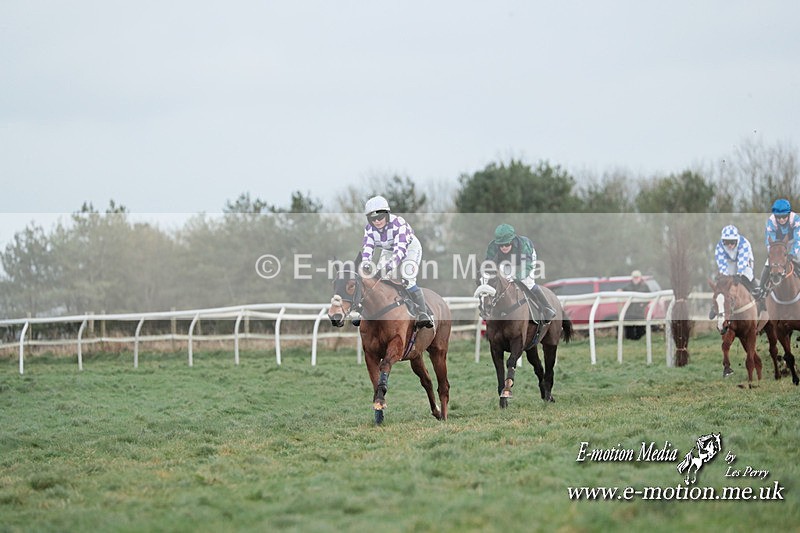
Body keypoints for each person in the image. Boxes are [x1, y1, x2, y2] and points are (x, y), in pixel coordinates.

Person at [360, 195, 433, 328]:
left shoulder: (399, 223)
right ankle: (367, 313)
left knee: (407, 277)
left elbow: (400, 250)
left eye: (380, 217)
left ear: (387, 214)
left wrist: (389, 267)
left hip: (409, 247)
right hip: (388, 250)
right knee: (377, 279)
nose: (377, 221)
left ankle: (423, 313)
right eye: (373, 219)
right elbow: (368, 247)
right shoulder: (369, 229)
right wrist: (366, 263)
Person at [484, 223, 556, 323]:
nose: (504, 247)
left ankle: (547, 308)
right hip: (507, 261)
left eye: (507, 244)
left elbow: (527, 266)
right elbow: (489, 265)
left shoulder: (524, 245)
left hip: (525, 260)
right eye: (501, 245)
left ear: (512, 241)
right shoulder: (492, 247)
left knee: (527, 283)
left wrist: (517, 277)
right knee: (500, 282)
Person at [757, 198, 800, 297]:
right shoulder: (771, 221)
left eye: (784, 216)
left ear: (788, 214)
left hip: (795, 243)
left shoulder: (796, 220)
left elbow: (798, 240)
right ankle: (761, 290)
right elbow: (770, 243)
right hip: (779, 245)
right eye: (778, 217)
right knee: (769, 263)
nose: (781, 219)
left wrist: (792, 254)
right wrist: (774, 255)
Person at [620, 270, 650, 340]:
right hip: (629, 312)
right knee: (629, 329)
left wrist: (643, 304)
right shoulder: (628, 286)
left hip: (639, 312)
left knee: (641, 329)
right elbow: (621, 291)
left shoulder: (645, 287)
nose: (636, 279)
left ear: (640, 278)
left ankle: (638, 340)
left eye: (637, 277)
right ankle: (631, 341)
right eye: (634, 277)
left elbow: (649, 297)